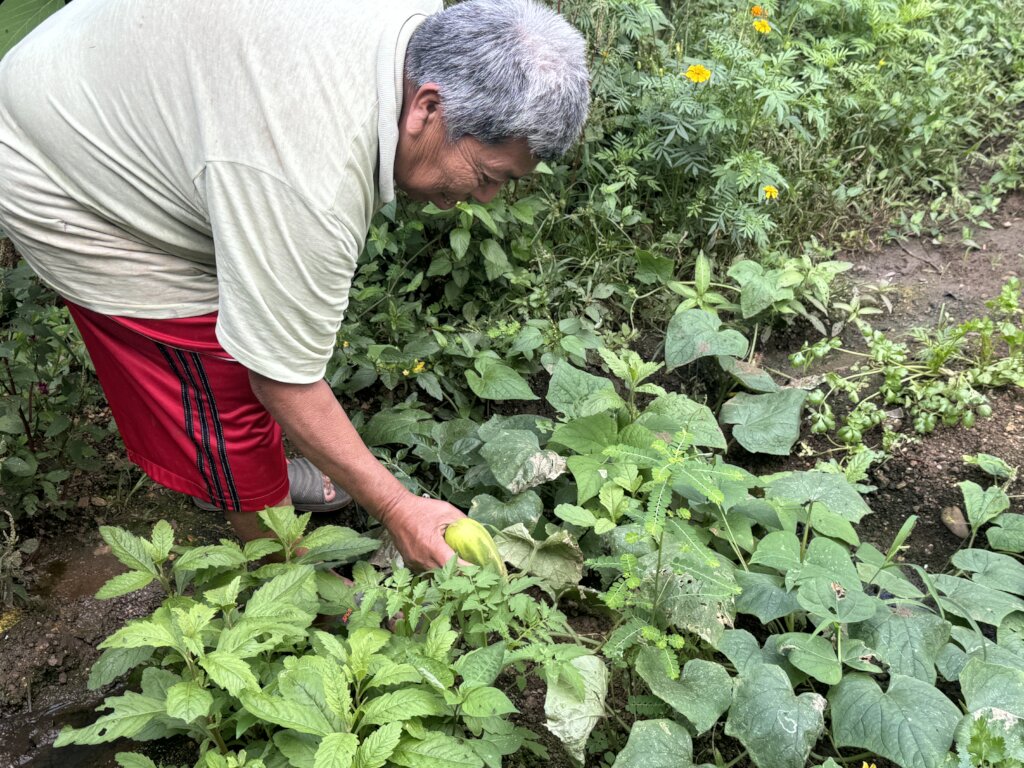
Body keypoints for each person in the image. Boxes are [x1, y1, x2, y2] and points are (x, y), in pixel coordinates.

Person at [0, 0, 590, 569]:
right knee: (223, 378)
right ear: (427, 107)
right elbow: (281, 379)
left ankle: (272, 477)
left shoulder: (421, 34)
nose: (485, 197)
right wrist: (396, 506)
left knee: (276, 310)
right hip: (49, 152)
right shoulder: (312, 179)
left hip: (123, 69)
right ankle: (285, 579)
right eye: (486, 174)